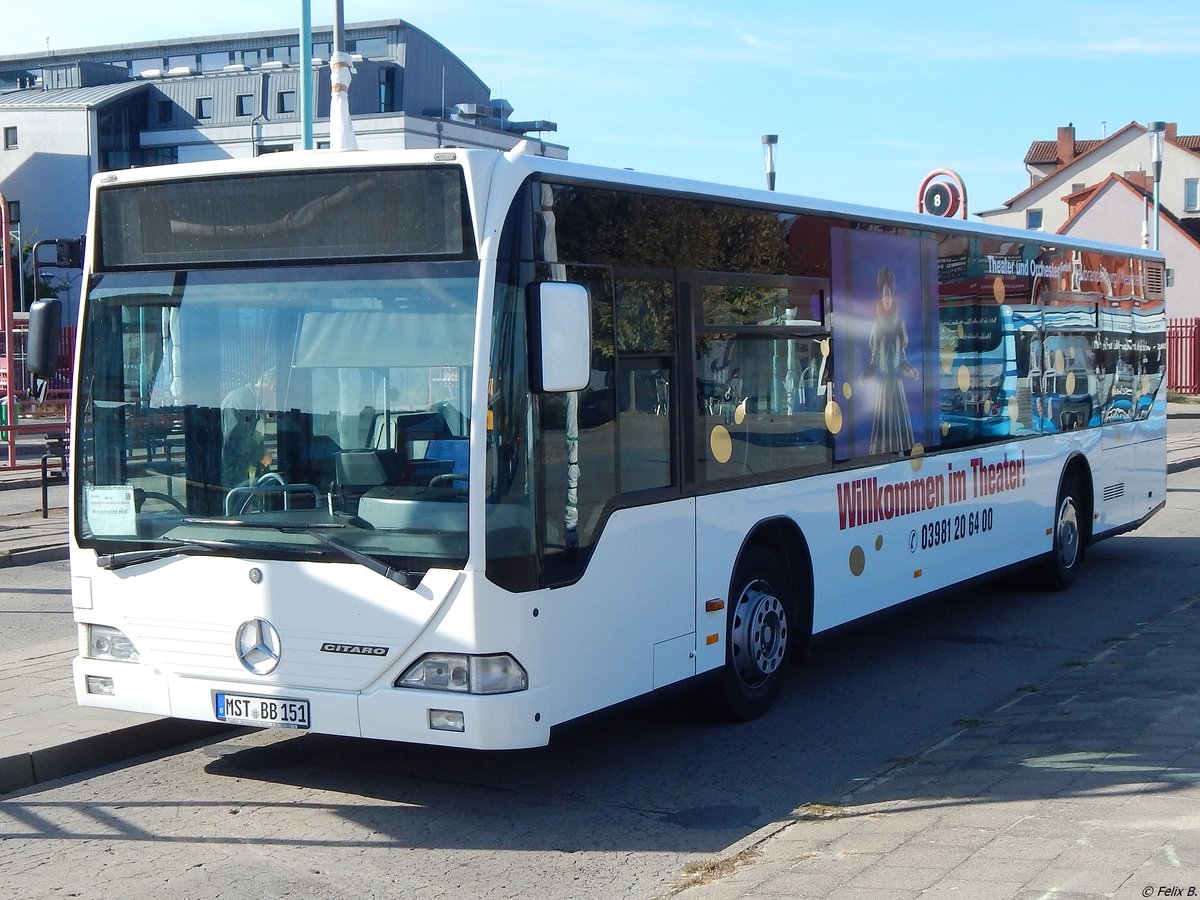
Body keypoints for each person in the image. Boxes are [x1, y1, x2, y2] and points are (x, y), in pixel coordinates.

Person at [863, 266, 917, 454]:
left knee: (899, 423)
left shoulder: (899, 324)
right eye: (883, 295)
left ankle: (900, 454)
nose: (886, 299)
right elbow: (874, 359)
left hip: (896, 383)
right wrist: (868, 374)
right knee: (883, 422)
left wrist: (910, 371)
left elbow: (902, 359)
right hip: (883, 385)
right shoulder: (876, 326)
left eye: (889, 295)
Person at [221, 369, 275, 488]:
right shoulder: (239, 400)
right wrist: (261, 455)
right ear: (273, 387)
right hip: (234, 473)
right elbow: (235, 437)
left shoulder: (254, 402)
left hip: (245, 474)